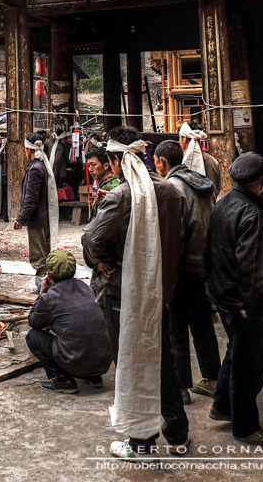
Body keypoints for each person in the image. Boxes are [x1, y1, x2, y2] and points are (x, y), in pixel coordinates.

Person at [81, 126, 188, 460]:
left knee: (130, 360)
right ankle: (177, 432)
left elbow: (91, 239)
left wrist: (102, 263)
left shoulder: (120, 196)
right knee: (161, 358)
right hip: (161, 288)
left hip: (122, 293)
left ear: (115, 162)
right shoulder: (171, 191)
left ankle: (141, 442)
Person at [204, 152, 263, 446]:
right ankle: (246, 426)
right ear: (260, 182)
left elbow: (210, 252)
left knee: (237, 351)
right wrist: (249, 304)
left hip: (223, 295)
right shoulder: (252, 214)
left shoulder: (223, 204)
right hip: (242, 301)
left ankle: (223, 405)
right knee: (251, 364)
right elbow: (251, 265)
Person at [153, 140, 220, 404]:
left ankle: (180, 389)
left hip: (182, 267)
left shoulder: (173, 187)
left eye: (155, 161)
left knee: (175, 328)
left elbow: (174, 235)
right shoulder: (201, 182)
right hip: (203, 264)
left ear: (161, 162)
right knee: (203, 325)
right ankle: (213, 380)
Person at [25, 248, 112, 393]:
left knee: (33, 337)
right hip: (103, 362)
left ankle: (63, 380)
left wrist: (42, 293)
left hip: (76, 362)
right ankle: (94, 377)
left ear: (49, 274)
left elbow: (34, 322)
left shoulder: (50, 297)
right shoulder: (85, 287)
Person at [13, 132, 59, 293]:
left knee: (39, 257)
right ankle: (46, 285)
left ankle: (43, 287)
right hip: (41, 217)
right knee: (43, 254)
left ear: (28, 149)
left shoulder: (35, 169)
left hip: (37, 219)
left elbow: (31, 199)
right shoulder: (38, 166)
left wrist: (21, 218)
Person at [179, 121, 221, 195]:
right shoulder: (213, 161)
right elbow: (217, 188)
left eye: (179, 137)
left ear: (185, 139)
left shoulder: (181, 161)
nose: (179, 141)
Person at [86, 145, 120, 218]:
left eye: (93, 165)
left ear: (105, 166)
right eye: (88, 165)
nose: (90, 169)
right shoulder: (103, 184)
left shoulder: (110, 187)